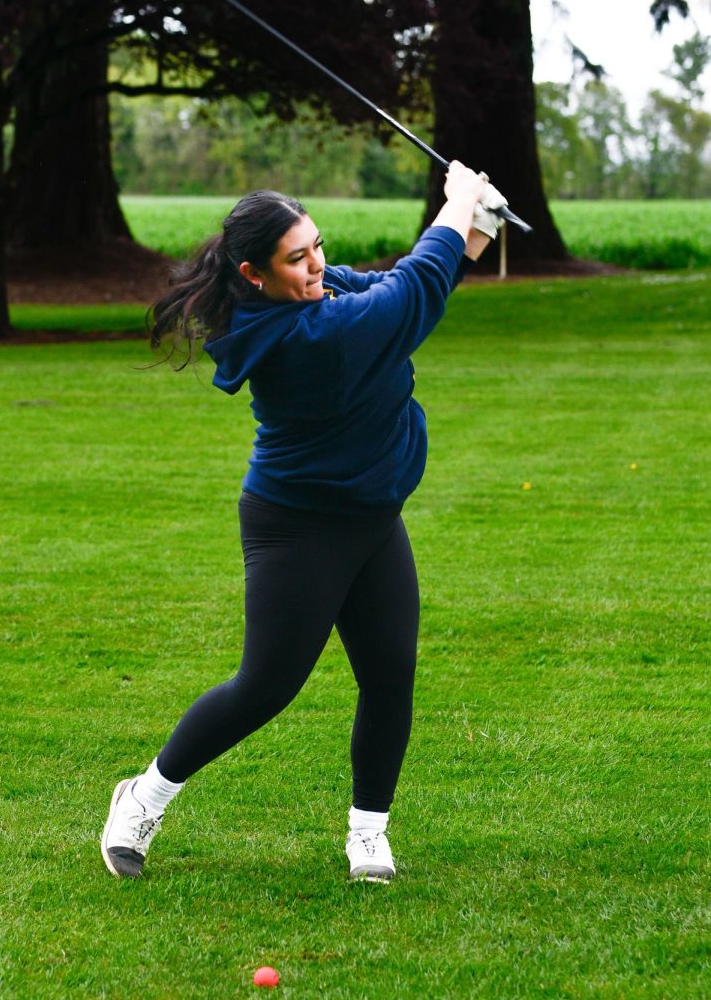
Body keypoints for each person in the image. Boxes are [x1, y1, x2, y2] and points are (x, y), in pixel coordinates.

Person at [102, 161, 506, 883]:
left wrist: (478, 224)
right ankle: (143, 794)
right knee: (266, 685)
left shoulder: (324, 293)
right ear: (254, 275)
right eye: (298, 257)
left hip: (373, 516)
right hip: (297, 526)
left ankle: (368, 834)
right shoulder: (302, 335)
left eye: (316, 244)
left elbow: (411, 285)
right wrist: (456, 206)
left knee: (390, 675)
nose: (317, 263)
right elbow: (409, 293)